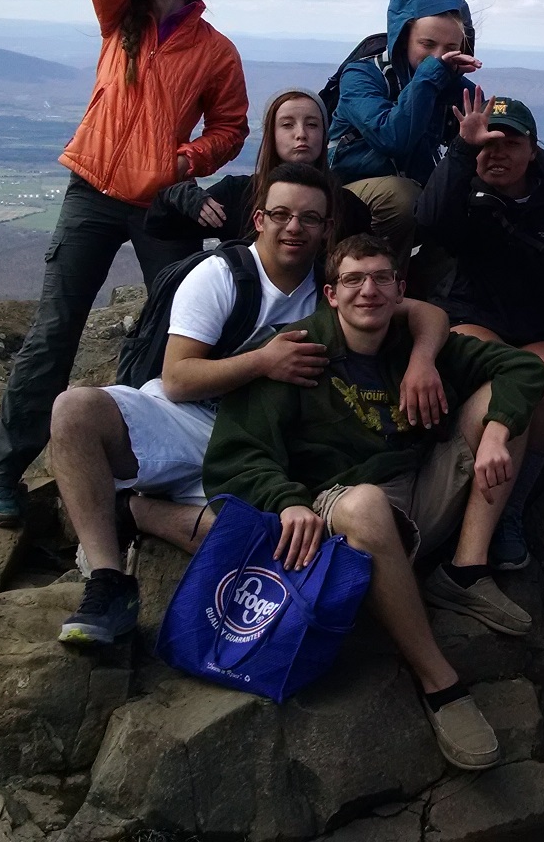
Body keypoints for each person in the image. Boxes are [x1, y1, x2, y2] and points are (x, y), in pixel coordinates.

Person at [45, 163, 452, 646]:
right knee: (74, 411)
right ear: (259, 219)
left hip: (261, 443)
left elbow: (426, 313)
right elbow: (177, 378)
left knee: (296, 541)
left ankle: (136, 512)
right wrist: (262, 362)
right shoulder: (221, 275)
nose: (294, 227)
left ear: (327, 229)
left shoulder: (333, 289)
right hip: (189, 420)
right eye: (281, 214)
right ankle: (108, 583)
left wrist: (422, 361)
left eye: (309, 218)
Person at [203, 234, 544, 771]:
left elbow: (526, 370)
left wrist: (494, 428)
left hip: (419, 494)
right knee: (364, 505)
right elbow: (235, 458)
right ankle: (440, 683)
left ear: (400, 290)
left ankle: (462, 571)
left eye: (381, 278)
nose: (369, 290)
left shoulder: (411, 347)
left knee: (501, 409)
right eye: (354, 280)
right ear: (330, 294)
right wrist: (287, 501)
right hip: (340, 509)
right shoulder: (293, 353)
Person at [0, 0, 249, 528]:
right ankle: (1, 468)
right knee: (54, 332)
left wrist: (184, 162)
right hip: (92, 190)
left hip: (162, 203)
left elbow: (231, 129)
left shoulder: (214, 51)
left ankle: (150, 466)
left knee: (181, 334)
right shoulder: (118, 22)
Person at [414, 92, 544, 571]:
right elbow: (430, 221)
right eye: (486, 145)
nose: (495, 154)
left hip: (536, 326)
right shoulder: (465, 191)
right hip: (473, 316)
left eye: (509, 143)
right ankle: (485, 512)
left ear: (533, 149)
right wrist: (460, 149)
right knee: (513, 373)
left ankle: (512, 508)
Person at [325, 0, 481, 255]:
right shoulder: (362, 76)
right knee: (403, 197)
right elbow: (392, 138)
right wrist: (431, 78)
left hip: (410, 194)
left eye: (449, 48)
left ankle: (428, 290)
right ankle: (384, 284)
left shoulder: (448, 85)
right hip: (346, 193)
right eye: (427, 44)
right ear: (403, 37)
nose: (438, 56)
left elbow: (488, 122)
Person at [145, 89, 372, 247]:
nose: (301, 133)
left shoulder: (348, 207)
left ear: (324, 134)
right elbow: (161, 228)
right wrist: (175, 197)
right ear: (271, 135)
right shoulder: (237, 194)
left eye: (312, 124)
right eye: (287, 124)